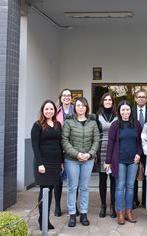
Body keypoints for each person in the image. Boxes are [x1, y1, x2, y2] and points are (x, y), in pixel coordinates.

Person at [61, 97, 100, 228]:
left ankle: (83, 213)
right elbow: (64, 140)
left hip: (88, 160)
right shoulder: (69, 122)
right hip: (72, 160)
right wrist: (77, 154)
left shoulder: (92, 123)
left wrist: (89, 154)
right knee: (72, 187)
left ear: (86, 107)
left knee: (84, 187)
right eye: (78, 105)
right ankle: (72, 214)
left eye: (83, 105)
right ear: (75, 107)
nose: (80, 108)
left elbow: (96, 140)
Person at [105, 100, 143, 225]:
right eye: (123, 110)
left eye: (127, 110)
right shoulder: (115, 125)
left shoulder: (136, 124)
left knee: (131, 187)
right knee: (120, 187)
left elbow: (140, 143)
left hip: (133, 161)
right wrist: (108, 161)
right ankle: (120, 213)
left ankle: (128, 212)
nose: (125, 112)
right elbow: (110, 144)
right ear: (119, 111)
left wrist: (139, 154)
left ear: (130, 111)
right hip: (119, 160)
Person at [31, 100, 63, 230]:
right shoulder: (37, 125)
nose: (49, 111)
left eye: (51, 109)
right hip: (43, 163)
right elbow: (35, 146)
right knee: (44, 192)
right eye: (46, 109)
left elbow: (60, 144)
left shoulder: (58, 124)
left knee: (50, 191)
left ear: (55, 111)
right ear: (42, 111)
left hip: (55, 164)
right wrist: (40, 163)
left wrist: (61, 162)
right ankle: (42, 220)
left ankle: (45, 219)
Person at [53, 88, 75, 217]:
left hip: (73, 148)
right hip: (59, 148)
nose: (66, 97)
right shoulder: (56, 112)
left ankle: (73, 206)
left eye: (68, 95)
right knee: (58, 180)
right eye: (64, 95)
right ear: (61, 97)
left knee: (74, 179)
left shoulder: (76, 110)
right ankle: (57, 206)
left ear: (71, 97)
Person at [96, 92, 118, 218]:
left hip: (114, 150)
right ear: (102, 102)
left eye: (110, 100)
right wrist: (95, 153)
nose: (108, 102)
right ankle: (103, 206)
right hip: (101, 150)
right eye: (106, 100)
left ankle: (112, 206)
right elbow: (95, 135)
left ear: (112, 102)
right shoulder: (96, 116)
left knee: (114, 180)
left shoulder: (117, 115)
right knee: (102, 180)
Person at [131, 89, 147, 208]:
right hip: (134, 147)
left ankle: (146, 200)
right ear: (135, 98)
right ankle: (134, 200)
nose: (141, 99)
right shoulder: (131, 111)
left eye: (143, 97)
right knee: (133, 175)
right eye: (139, 97)